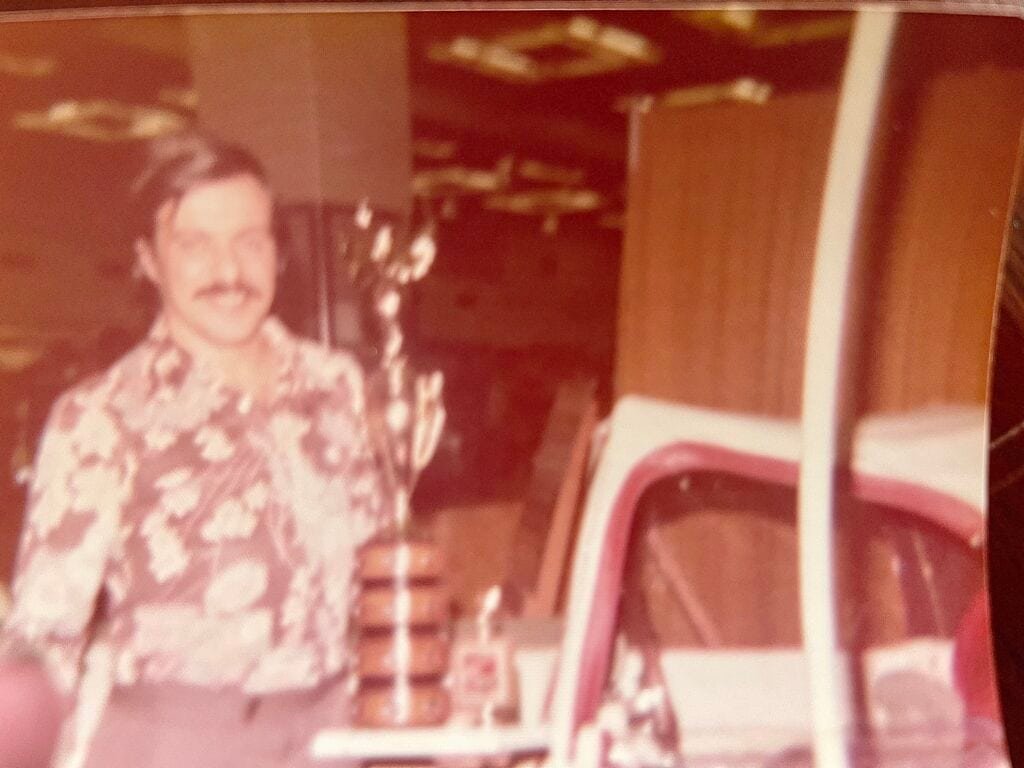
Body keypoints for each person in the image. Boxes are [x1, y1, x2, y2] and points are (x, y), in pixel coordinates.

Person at [0, 131, 389, 768]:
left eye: (249, 241)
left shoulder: (338, 384)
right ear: (149, 261)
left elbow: (376, 566)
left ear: (277, 253)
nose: (229, 271)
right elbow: (45, 635)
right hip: (177, 746)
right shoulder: (99, 415)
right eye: (195, 245)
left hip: (334, 736)